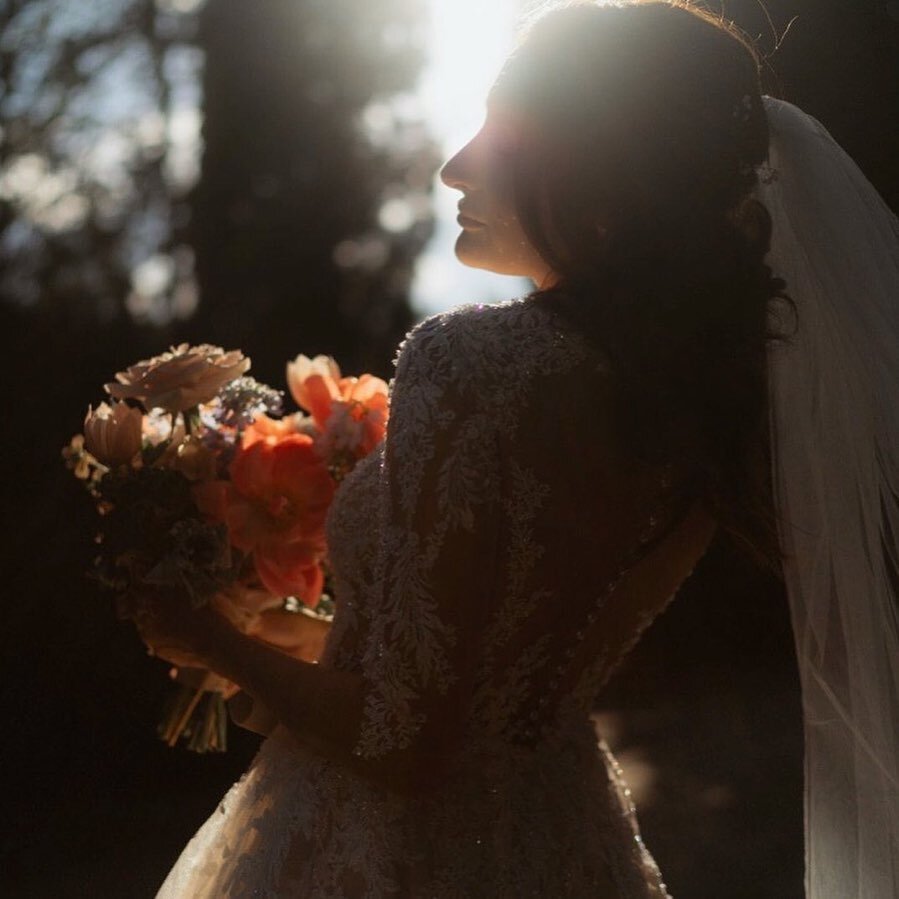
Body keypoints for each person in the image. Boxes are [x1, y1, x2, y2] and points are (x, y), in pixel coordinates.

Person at [134, 1, 899, 896]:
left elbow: (403, 744)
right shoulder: (704, 403)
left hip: (379, 859)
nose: (454, 166)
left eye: (501, 134)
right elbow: (492, 676)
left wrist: (198, 632)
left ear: (600, 168)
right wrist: (285, 634)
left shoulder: (469, 364)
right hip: (560, 850)